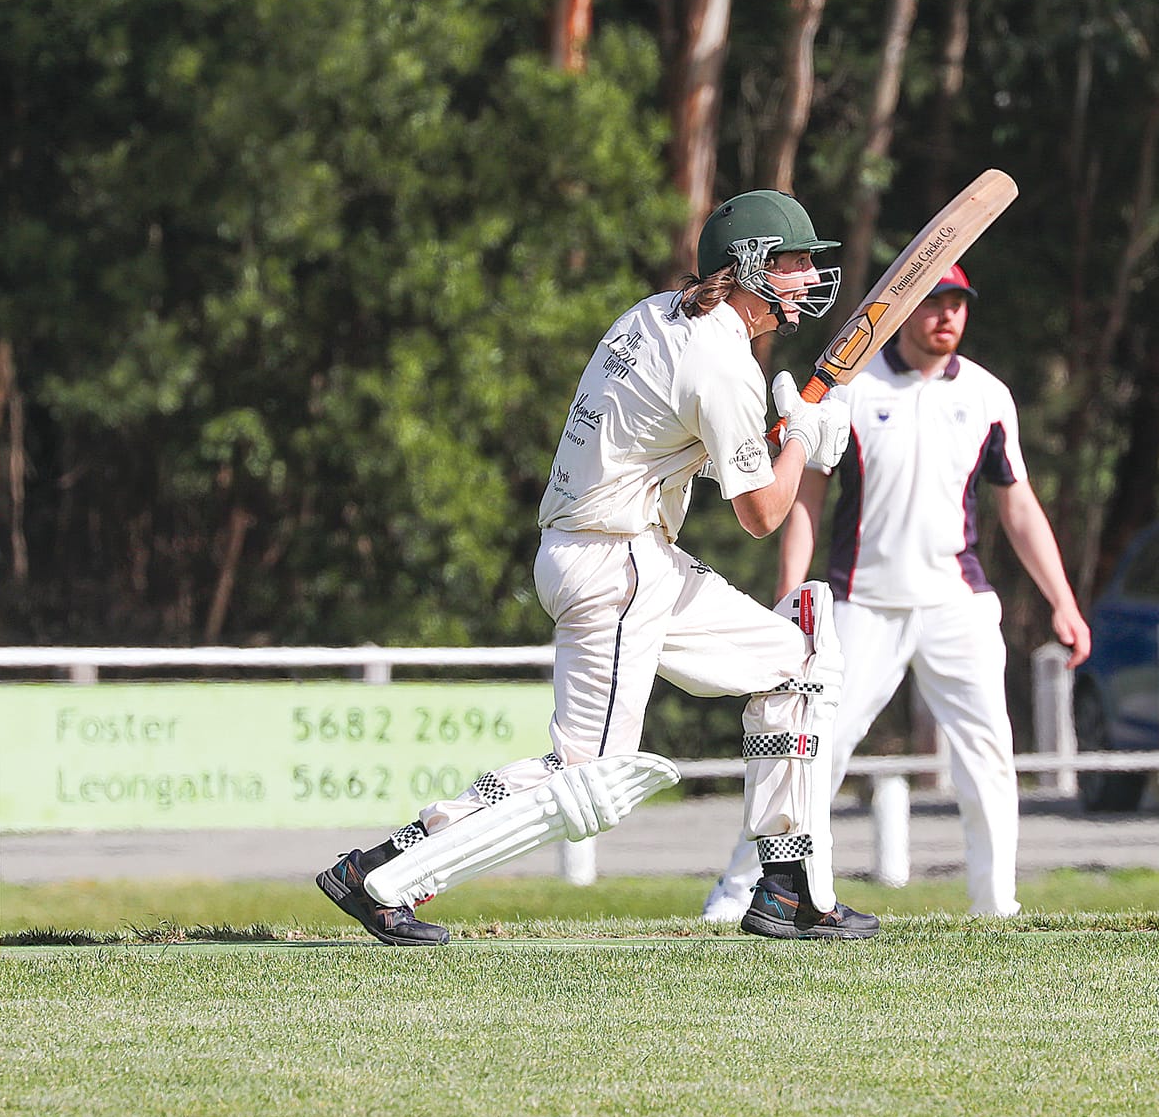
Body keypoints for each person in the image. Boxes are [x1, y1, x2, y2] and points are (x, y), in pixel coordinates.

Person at [316, 189, 879, 943]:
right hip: (616, 568)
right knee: (590, 780)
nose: (807, 277)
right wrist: (804, 439)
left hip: (619, 554)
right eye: (792, 262)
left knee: (796, 663)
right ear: (746, 266)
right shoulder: (721, 361)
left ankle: (788, 886)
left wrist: (777, 433)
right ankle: (384, 871)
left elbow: (667, 441)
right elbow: (763, 515)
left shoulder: (656, 314)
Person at [701, 262, 1091, 920]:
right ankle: (738, 891)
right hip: (863, 602)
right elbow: (808, 498)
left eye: (958, 304)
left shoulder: (989, 397)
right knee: (812, 755)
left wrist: (1063, 600)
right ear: (905, 309)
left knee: (988, 757)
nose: (947, 316)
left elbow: (1018, 506)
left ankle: (996, 905)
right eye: (934, 302)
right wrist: (792, 592)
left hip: (957, 602)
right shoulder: (851, 392)